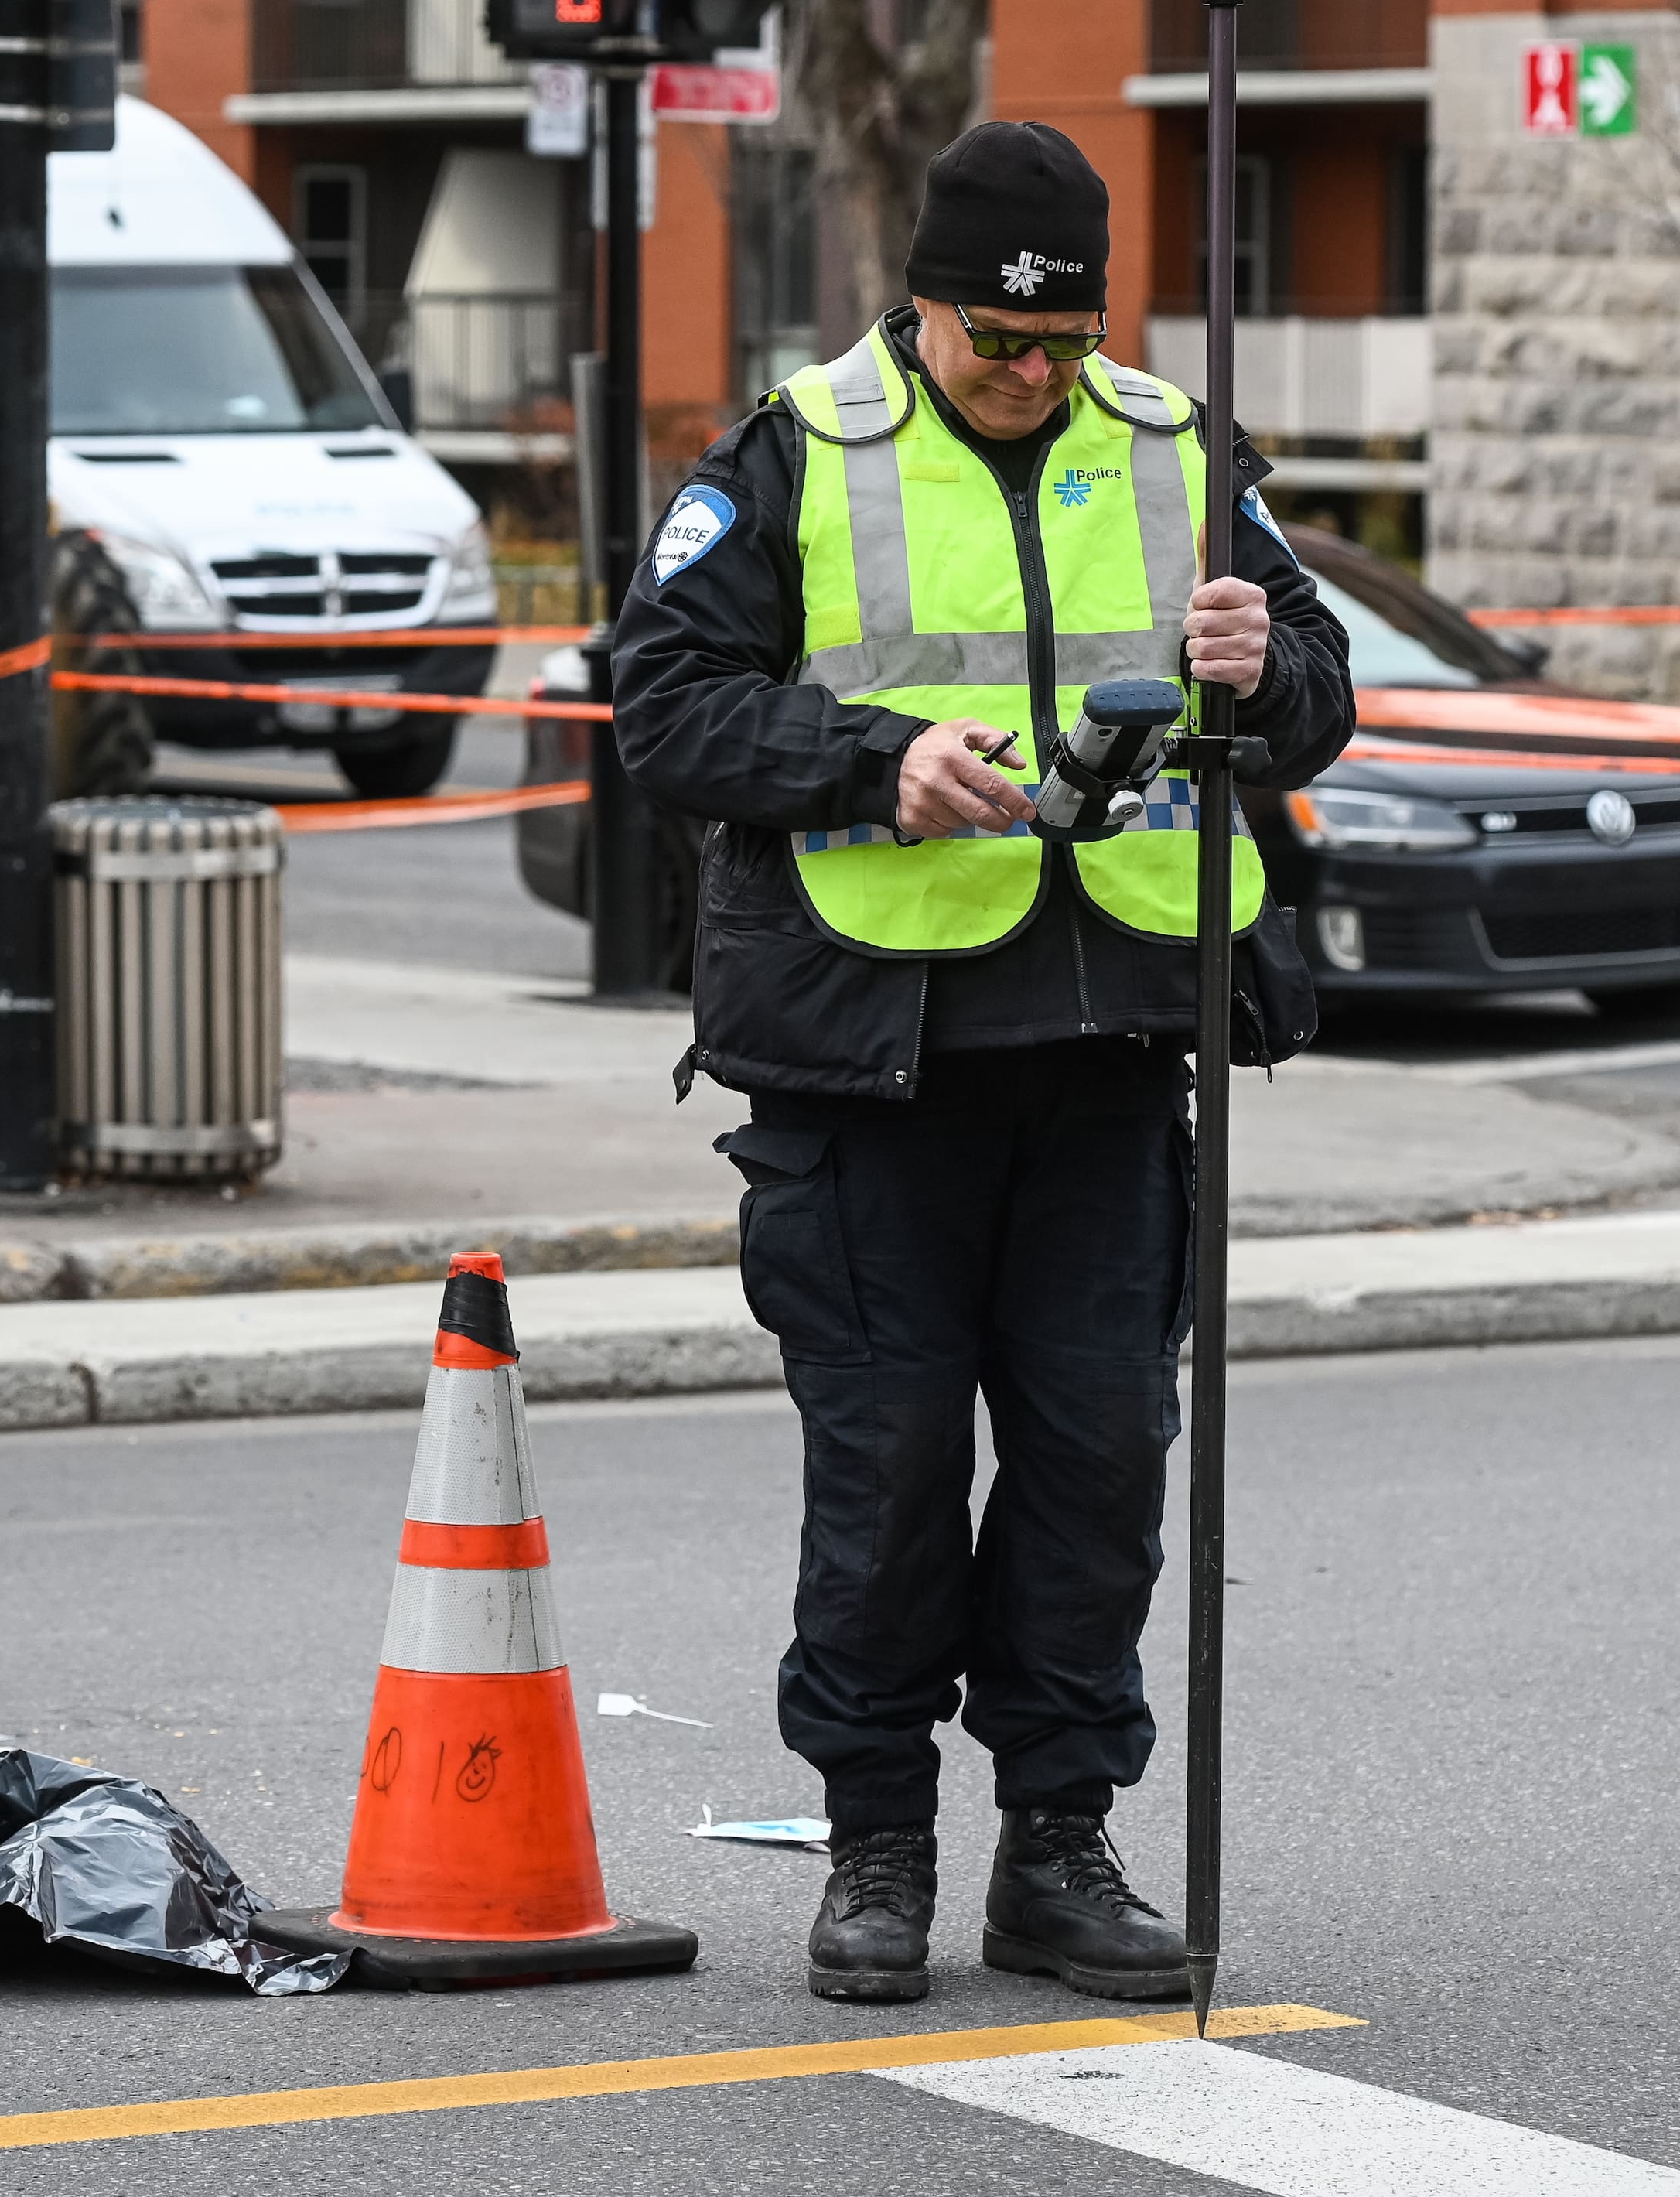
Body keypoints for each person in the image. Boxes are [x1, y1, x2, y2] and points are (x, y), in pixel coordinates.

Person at [609, 121, 1352, 2004]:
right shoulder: (797, 450)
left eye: (1064, 340)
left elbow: (1318, 701)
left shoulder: (1176, 450)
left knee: (1100, 1466)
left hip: (1110, 1051)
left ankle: (1056, 1842)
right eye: (998, 339)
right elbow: (665, 706)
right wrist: (875, 759)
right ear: (924, 301)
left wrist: (1266, 669)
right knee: (890, 1476)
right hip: (875, 1070)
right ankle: (876, 1842)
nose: (1032, 372)